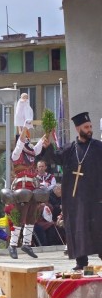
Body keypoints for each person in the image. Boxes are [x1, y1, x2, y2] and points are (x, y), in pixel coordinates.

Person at [52, 112, 102, 270]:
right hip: (75, 198)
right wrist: (46, 147)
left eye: (90, 127)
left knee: (98, 227)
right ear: (78, 128)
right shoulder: (70, 148)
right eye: (86, 127)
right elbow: (55, 158)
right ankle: (81, 262)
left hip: (95, 197)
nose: (89, 130)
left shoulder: (98, 147)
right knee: (78, 227)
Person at [5, 118, 48, 259]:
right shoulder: (16, 154)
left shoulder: (31, 153)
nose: (28, 141)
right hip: (21, 189)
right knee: (20, 217)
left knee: (31, 217)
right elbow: (21, 143)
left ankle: (27, 244)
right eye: (26, 139)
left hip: (32, 188)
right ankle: (12, 245)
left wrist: (47, 132)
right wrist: (23, 127)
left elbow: (38, 146)